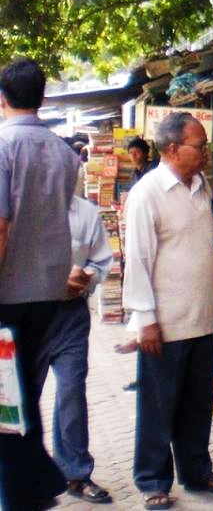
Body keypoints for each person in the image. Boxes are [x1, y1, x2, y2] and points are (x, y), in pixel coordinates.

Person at [123, 112, 213, 509]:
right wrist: (145, 321)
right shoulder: (148, 193)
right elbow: (137, 260)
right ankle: (153, 479)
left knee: (195, 404)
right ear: (172, 149)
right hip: (165, 321)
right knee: (158, 406)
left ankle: (196, 470)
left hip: (200, 314)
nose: (206, 152)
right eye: (199, 145)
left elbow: (202, 245)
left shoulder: (201, 187)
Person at [0, 57, 79, 510]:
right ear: (43, 97)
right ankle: (37, 481)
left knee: (9, 398)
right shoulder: (63, 152)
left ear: (3, 98)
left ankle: (28, 487)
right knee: (22, 387)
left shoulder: (4, 147)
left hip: (8, 292)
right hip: (48, 292)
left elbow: (2, 227)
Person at [34, 195, 114, 504]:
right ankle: (26, 472)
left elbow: (100, 260)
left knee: (71, 390)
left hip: (70, 316)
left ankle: (75, 473)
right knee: (23, 396)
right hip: (28, 315)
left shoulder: (85, 211)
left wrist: (85, 277)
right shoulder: (18, 207)